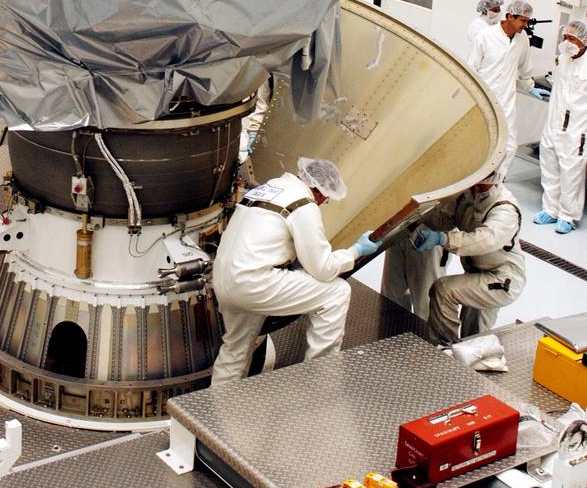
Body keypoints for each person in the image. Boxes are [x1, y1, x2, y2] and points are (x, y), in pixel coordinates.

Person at [211, 157, 379, 384]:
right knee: (337, 292)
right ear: (319, 191)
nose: (321, 203)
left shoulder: (267, 189)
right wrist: (355, 251)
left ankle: (218, 407)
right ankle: (321, 382)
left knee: (235, 347)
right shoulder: (303, 204)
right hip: (255, 283)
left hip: (224, 279)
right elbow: (324, 269)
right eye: (325, 199)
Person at [409, 173, 525, 344]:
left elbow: (483, 241)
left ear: (496, 180)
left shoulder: (505, 209)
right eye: (475, 184)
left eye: (482, 185)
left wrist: (444, 239)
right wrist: (417, 214)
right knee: (472, 335)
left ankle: (444, 347)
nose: (477, 190)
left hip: (500, 279)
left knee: (445, 291)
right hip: (476, 273)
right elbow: (444, 221)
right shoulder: (468, 196)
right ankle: (454, 351)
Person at [467, 0, 534, 176]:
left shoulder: (522, 40)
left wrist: (530, 86)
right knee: (480, 142)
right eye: (523, 20)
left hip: (507, 100)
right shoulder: (485, 37)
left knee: (509, 145)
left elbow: (525, 67)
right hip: (484, 99)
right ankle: (474, 181)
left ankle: (496, 183)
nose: (525, 25)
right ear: (511, 16)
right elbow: (471, 68)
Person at [534, 19, 587, 234]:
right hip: (553, 123)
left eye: (572, 39)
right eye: (565, 37)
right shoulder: (562, 60)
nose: (567, 42)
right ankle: (550, 209)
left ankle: (568, 215)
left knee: (571, 172)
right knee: (549, 166)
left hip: (577, 129)